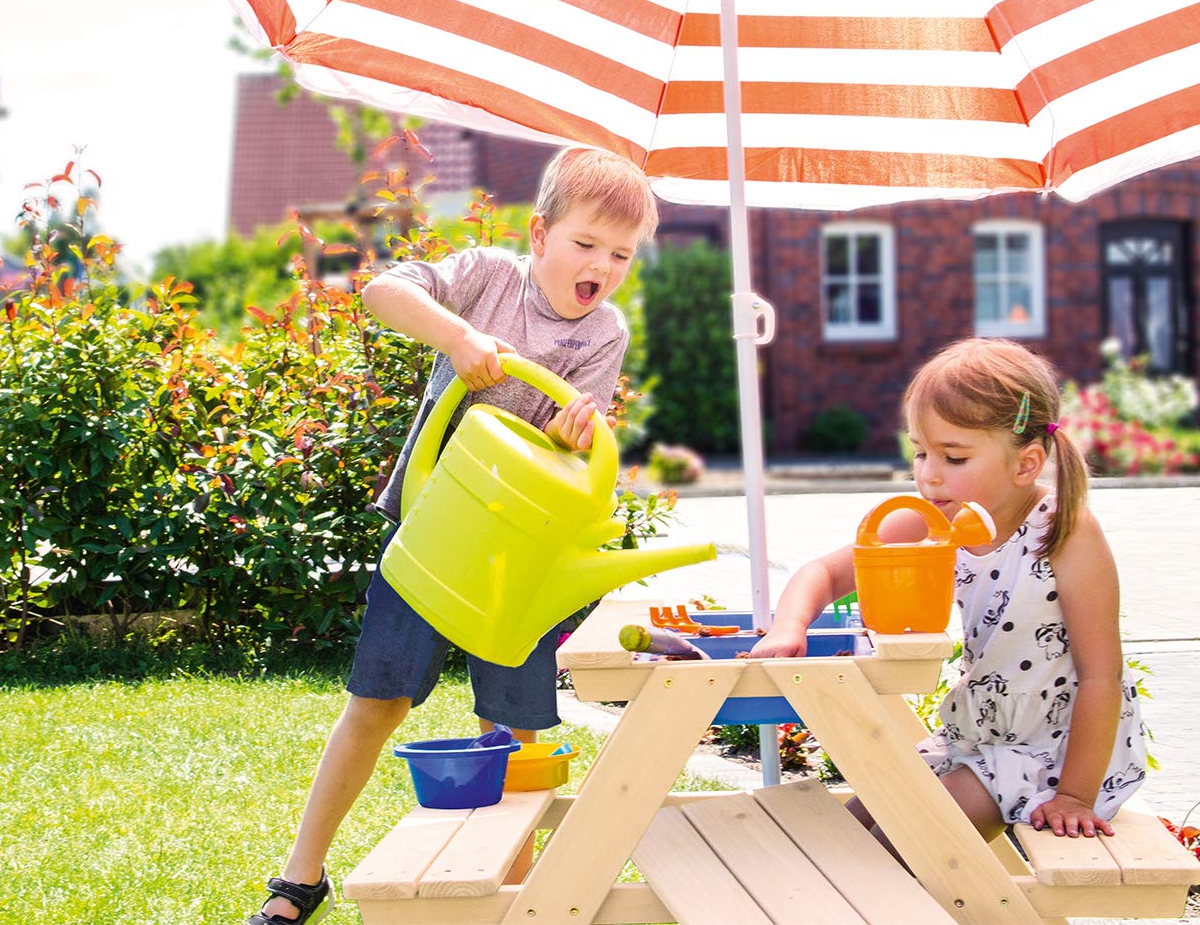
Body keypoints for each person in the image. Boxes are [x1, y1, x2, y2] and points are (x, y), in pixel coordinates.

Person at [248, 146, 658, 925]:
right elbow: (381, 289)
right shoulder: (487, 279)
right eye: (585, 243)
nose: (601, 265)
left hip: (519, 556)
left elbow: (582, 455)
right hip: (431, 536)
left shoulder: (605, 331)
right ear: (539, 235)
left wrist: (578, 433)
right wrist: (458, 338)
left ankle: (511, 899)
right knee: (377, 703)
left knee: (513, 730)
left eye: (620, 254)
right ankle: (301, 877)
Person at [749, 338, 1146, 851]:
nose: (929, 473)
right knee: (845, 837)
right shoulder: (929, 522)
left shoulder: (1065, 532)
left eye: (953, 456)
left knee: (911, 841)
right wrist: (789, 627)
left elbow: (1101, 676)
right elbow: (821, 574)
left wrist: (1074, 795)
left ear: (1025, 465)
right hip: (974, 737)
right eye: (920, 451)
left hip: (1058, 753)